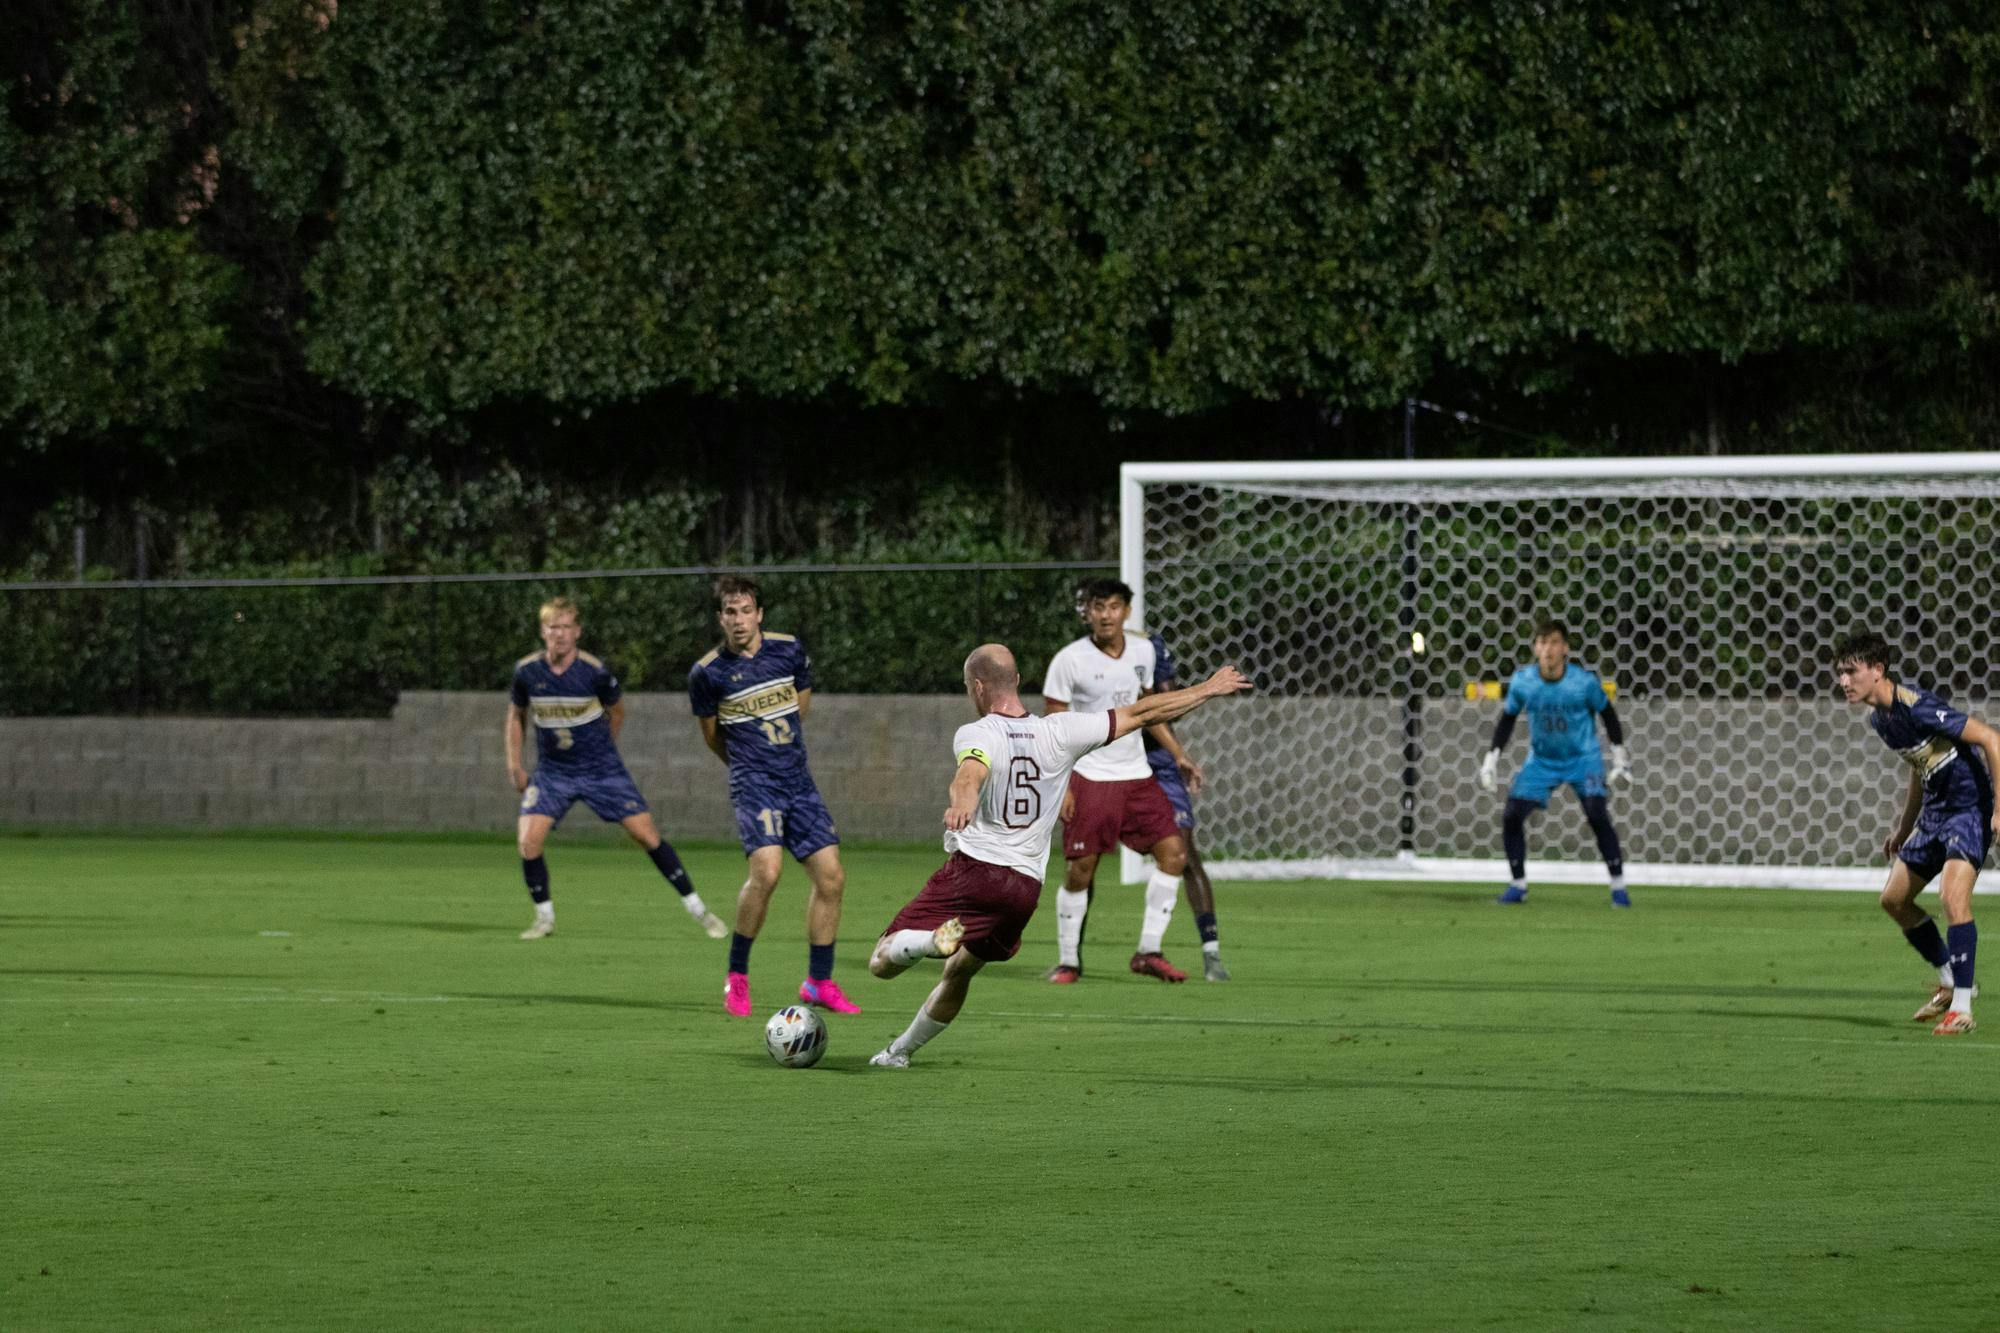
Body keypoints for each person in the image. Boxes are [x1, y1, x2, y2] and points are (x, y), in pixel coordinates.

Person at [867, 644, 1251, 1067]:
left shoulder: (976, 732)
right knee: (960, 973)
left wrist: (962, 801)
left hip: (974, 874)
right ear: (1016, 681)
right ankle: (898, 1052)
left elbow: (969, 773)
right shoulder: (1061, 730)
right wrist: (1208, 687)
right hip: (1023, 891)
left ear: (977, 687)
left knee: (882, 961)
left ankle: (928, 941)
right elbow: (1143, 713)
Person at [505, 596, 725, 941]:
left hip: (601, 770)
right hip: (553, 772)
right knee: (528, 841)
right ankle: (543, 919)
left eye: (566, 627)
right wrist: (514, 764)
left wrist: (604, 749)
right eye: (552, 627)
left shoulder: (594, 671)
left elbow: (617, 710)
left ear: (576, 632)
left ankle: (699, 909)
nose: (559, 634)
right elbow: (515, 716)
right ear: (542, 631)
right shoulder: (527, 672)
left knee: (646, 836)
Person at [689, 575, 857, 1018]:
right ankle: (737, 976)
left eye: (746, 611)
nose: (739, 620)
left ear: (759, 614)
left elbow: (801, 706)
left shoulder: (789, 650)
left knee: (832, 877)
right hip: (754, 785)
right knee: (766, 872)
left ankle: (819, 982)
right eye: (730, 612)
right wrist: (750, 767)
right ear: (720, 618)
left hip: (798, 781)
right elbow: (712, 737)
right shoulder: (708, 674)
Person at [1835, 631, 2000, 1036]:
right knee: (1894, 899)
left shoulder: (1918, 707)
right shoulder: (1882, 720)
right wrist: (1904, 827)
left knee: (1952, 897)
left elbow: (1991, 739)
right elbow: (1918, 767)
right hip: (1934, 815)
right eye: (1840, 672)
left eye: (1851, 671)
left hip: (1968, 811)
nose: (1843, 681)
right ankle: (1949, 978)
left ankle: (1961, 1008)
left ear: (1877, 670)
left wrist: (1999, 806)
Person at [1042, 578, 1206, 983]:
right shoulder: (1069, 660)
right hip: (1090, 776)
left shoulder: (1144, 650)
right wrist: (1061, 784)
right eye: (1098, 607)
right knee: (1081, 870)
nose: (1105, 615)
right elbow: (1053, 729)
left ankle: (1149, 951)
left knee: (1173, 854)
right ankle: (1068, 961)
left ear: (1126, 612)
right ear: (1088, 613)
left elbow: (1148, 710)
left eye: (1114, 606)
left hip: (1136, 775)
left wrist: (1178, 754)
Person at [1476, 619, 1634, 907]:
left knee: (1596, 813)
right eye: (1543, 642)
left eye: (1554, 642)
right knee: (1512, 815)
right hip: (1542, 761)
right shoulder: (1524, 682)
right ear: (1535, 648)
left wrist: (1620, 756)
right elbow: (1508, 718)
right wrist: (1491, 758)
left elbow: (1608, 714)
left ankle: (1619, 887)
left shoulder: (1583, 683)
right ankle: (1518, 885)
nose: (1548, 649)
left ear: (1565, 648)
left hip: (1583, 758)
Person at [1142, 630, 1230, 981]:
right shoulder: (1081, 656)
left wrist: (1156, 698)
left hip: (1157, 763)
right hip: (1106, 763)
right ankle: (1070, 961)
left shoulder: (1148, 647)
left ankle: (1211, 954)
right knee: (1082, 860)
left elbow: (1167, 710)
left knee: (1184, 854)